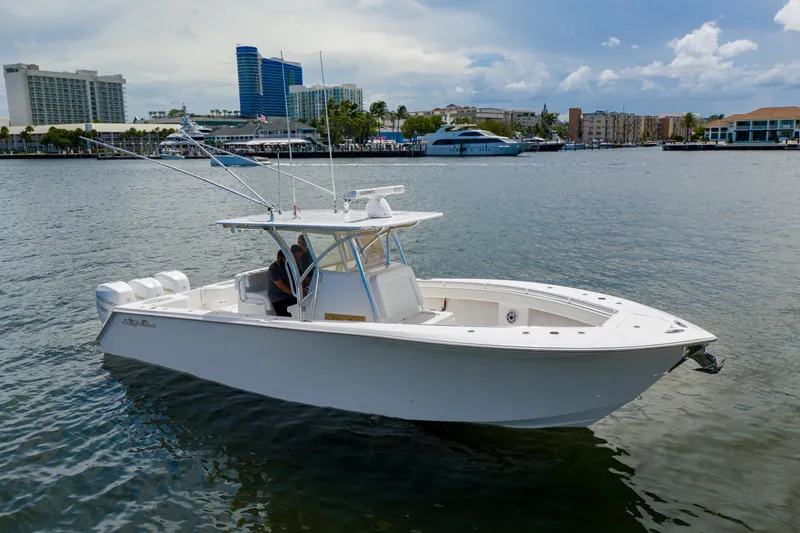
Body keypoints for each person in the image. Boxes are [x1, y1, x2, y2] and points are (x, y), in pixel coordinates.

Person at [267, 250, 296, 317]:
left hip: (289, 295)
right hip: (278, 298)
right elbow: (282, 286)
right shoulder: (273, 269)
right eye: (286, 258)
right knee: (286, 315)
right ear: (280, 258)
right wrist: (296, 293)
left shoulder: (288, 266)